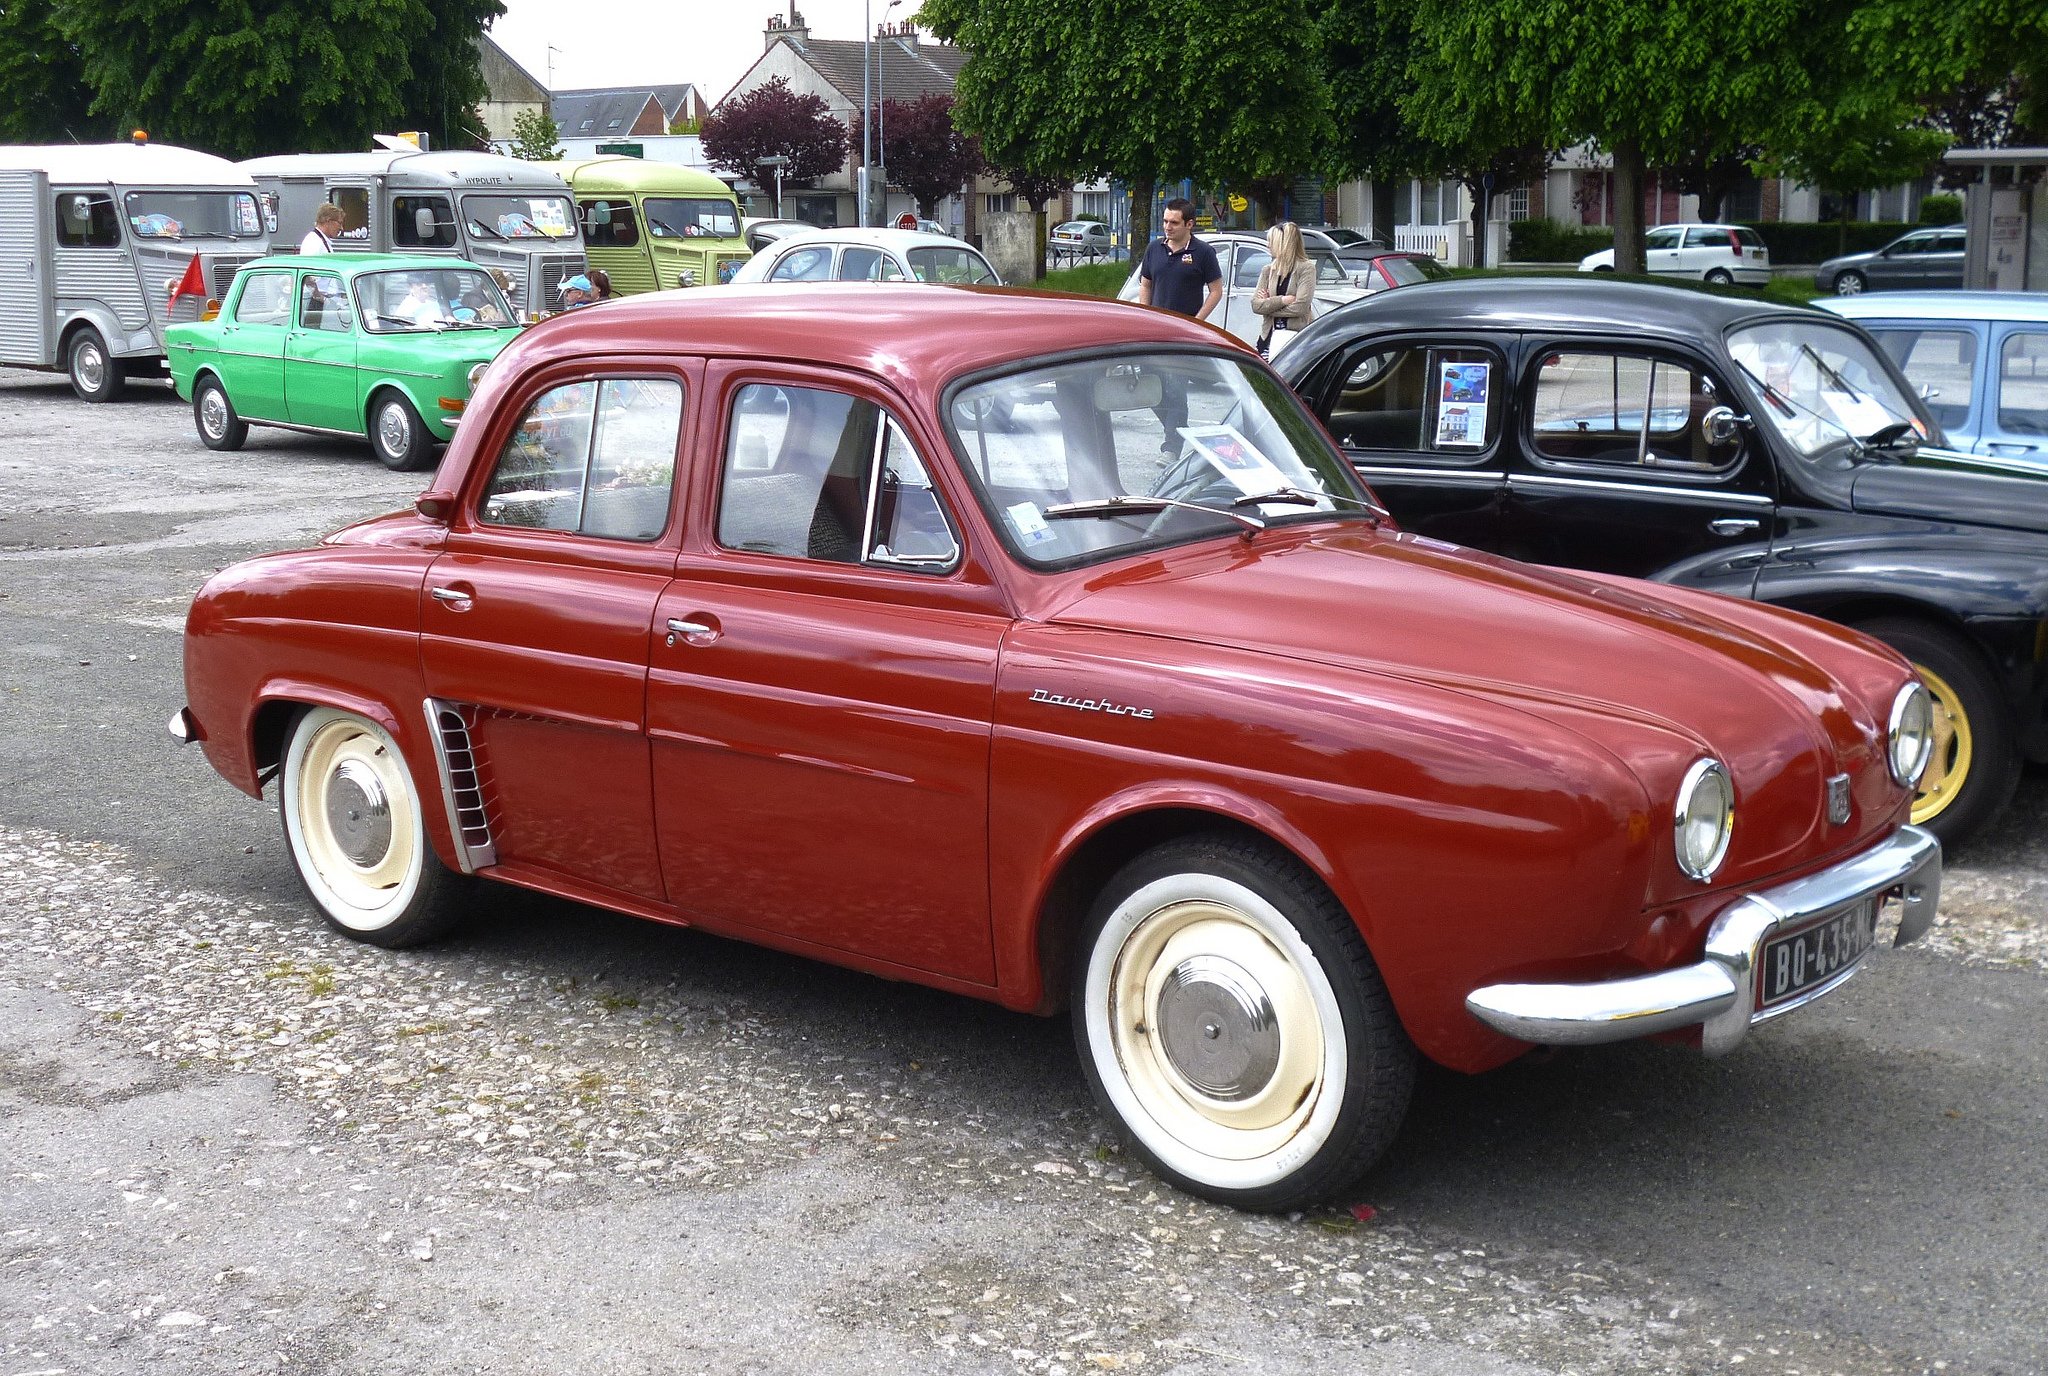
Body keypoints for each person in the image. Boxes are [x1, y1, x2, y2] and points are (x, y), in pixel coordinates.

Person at [1136, 199, 1221, 454]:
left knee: (1175, 389)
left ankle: (1171, 447)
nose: (1167, 227)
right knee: (1149, 388)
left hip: (1182, 336)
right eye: (1165, 221)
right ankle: (1178, 431)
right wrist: (1146, 313)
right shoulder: (1154, 249)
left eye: (1174, 222)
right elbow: (1146, 283)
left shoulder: (1203, 253)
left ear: (1189, 224)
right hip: (1154, 332)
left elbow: (1216, 291)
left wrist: (1196, 321)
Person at [1250, 221, 1315, 357]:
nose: (1268, 245)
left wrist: (1268, 306)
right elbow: (1256, 306)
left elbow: (1301, 307)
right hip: (1268, 338)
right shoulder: (1268, 270)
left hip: (1295, 340)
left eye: (1271, 242)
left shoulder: (1306, 268)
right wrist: (1283, 300)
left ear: (1282, 244)